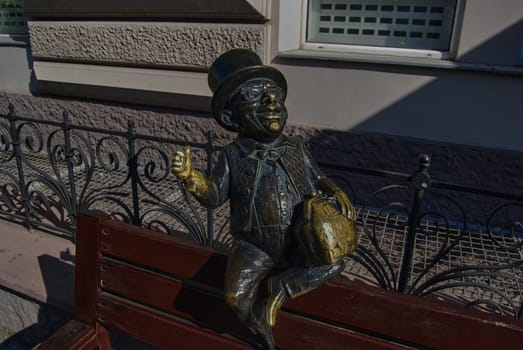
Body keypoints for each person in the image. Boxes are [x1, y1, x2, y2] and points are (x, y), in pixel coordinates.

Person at [171, 49, 356, 349]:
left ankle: (280, 287)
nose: (271, 102)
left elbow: (317, 177)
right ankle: (264, 336)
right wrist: (191, 176)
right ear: (232, 117)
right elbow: (214, 196)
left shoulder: (296, 147)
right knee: (234, 297)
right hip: (253, 244)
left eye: (274, 95)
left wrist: (334, 190)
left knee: (334, 264)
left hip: (299, 240)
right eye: (254, 95)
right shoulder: (233, 156)